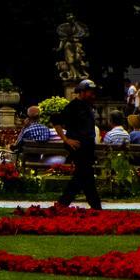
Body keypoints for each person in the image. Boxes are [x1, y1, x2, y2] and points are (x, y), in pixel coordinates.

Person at [52, 79, 103, 210]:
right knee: (84, 175)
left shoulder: (88, 106)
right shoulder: (72, 107)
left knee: (84, 177)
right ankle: (66, 204)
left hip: (87, 147)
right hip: (78, 146)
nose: (93, 96)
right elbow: (56, 121)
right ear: (82, 92)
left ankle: (64, 205)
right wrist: (65, 139)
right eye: (90, 93)